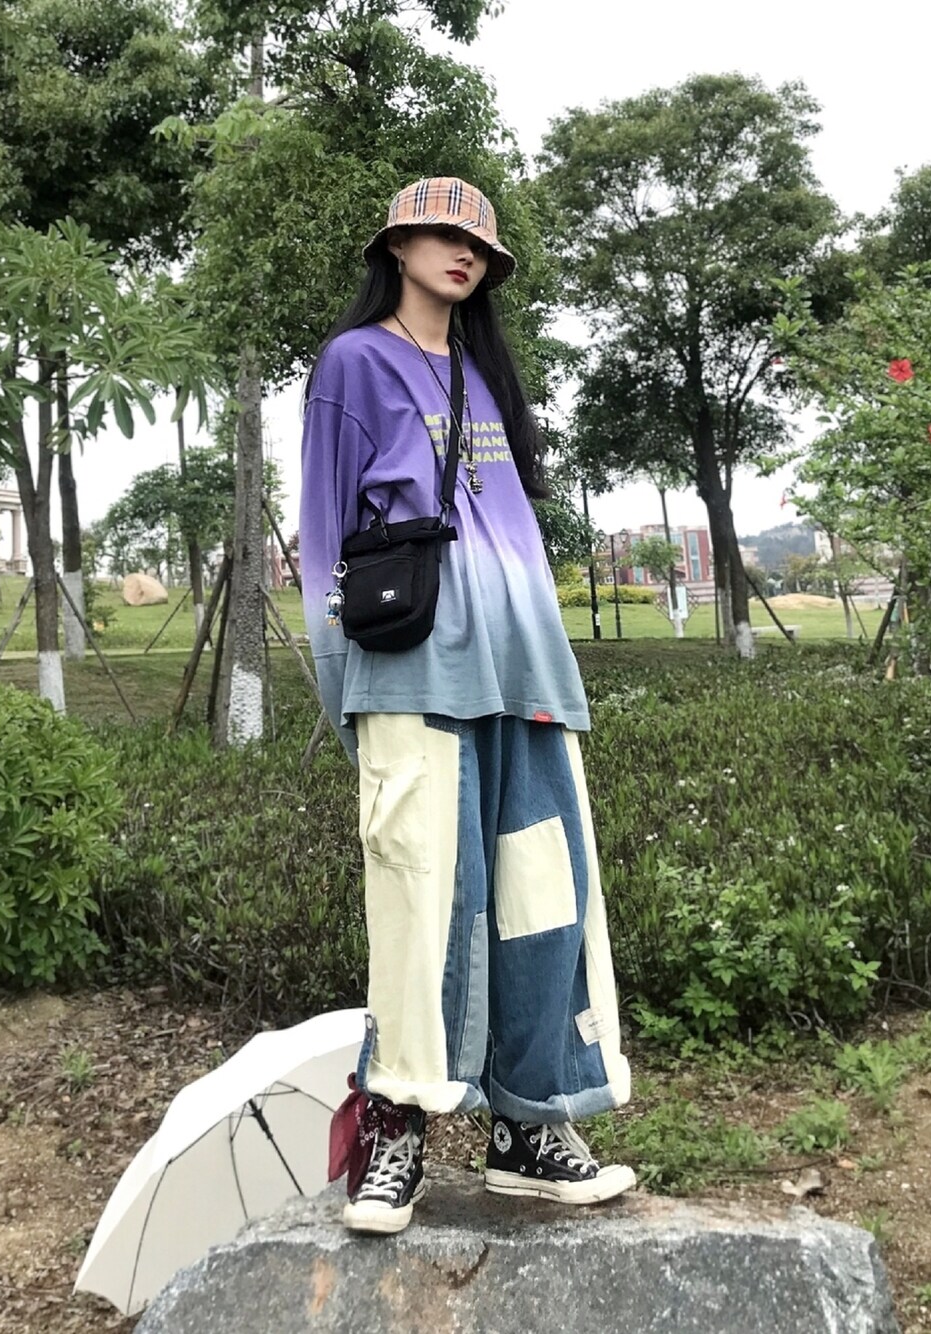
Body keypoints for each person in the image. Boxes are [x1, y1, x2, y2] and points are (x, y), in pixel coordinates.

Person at [300, 177, 634, 1236]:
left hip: (521, 677)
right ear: (397, 246)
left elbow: (513, 531)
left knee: (541, 899)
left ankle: (527, 1128)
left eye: (478, 244)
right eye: (441, 234)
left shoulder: (483, 376)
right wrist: (345, 694)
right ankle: (395, 1128)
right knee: (419, 905)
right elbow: (322, 534)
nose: (462, 252)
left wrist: (552, 668)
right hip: (412, 675)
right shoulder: (353, 364)